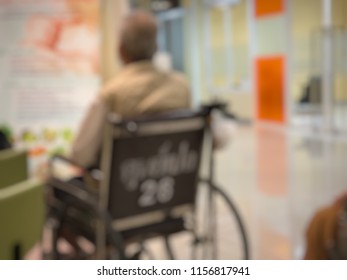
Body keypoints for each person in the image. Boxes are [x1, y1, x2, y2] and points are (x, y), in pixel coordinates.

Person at [70, 10, 190, 169]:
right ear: (157, 48)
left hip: (122, 190)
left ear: (120, 50)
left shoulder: (112, 93)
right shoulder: (181, 86)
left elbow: (80, 155)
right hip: (173, 189)